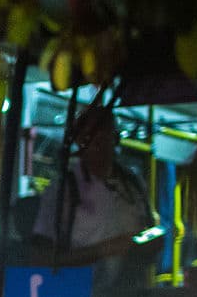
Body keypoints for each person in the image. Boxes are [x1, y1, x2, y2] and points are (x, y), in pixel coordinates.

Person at [30, 105, 156, 285]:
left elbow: (149, 231)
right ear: (79, 142)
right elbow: (41, 259)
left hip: (132, 296)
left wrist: (150, 243)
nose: (100, 145)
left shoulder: (133, 184)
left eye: (106, 136)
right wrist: (103, 251)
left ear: (116, 138)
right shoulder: (63, 190)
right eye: (91, 138)